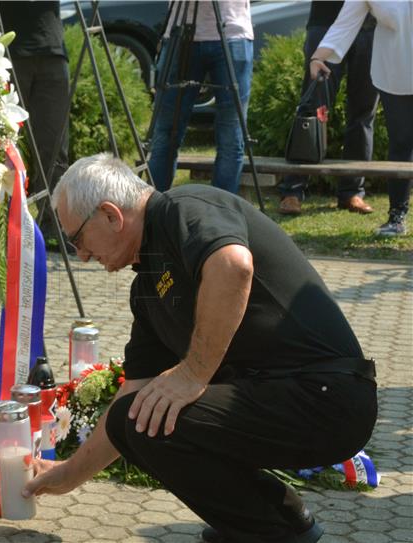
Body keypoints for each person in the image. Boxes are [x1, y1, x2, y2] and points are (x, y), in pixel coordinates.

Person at [25, 153, 377, 543]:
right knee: (138, 417)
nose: (82, 255)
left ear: (111, 215)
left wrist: (193, 374)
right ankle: (274, 521)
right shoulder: (147, 286)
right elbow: (133, 389)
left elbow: (232, 266)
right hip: (286, 398)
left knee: (144, 416)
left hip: (328, 398)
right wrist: (67, 474)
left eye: (76, 239)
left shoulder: (184, 208)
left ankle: (273, 532)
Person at [310, 0, 412, 236]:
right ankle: (397, 216)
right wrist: (318, 57)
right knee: (402, 144)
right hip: (394, 73)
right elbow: (345, 23)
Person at [278, 1, 377, 216]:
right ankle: (293, 190)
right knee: (313, 110)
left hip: (369, 27)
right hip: (325, 24)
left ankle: (352, 192)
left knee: (363, 114)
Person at [148, 0, 253, 194]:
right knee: (166, 131)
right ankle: (153, 210)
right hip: (180, 32)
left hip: (232, 32)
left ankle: (221, 214)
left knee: (231, 134)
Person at [0, 1, 70, 239]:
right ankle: (1, 226)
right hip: (7, 53)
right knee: (2, 147)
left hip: (51, 50)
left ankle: (55, 224)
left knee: (54, 148)